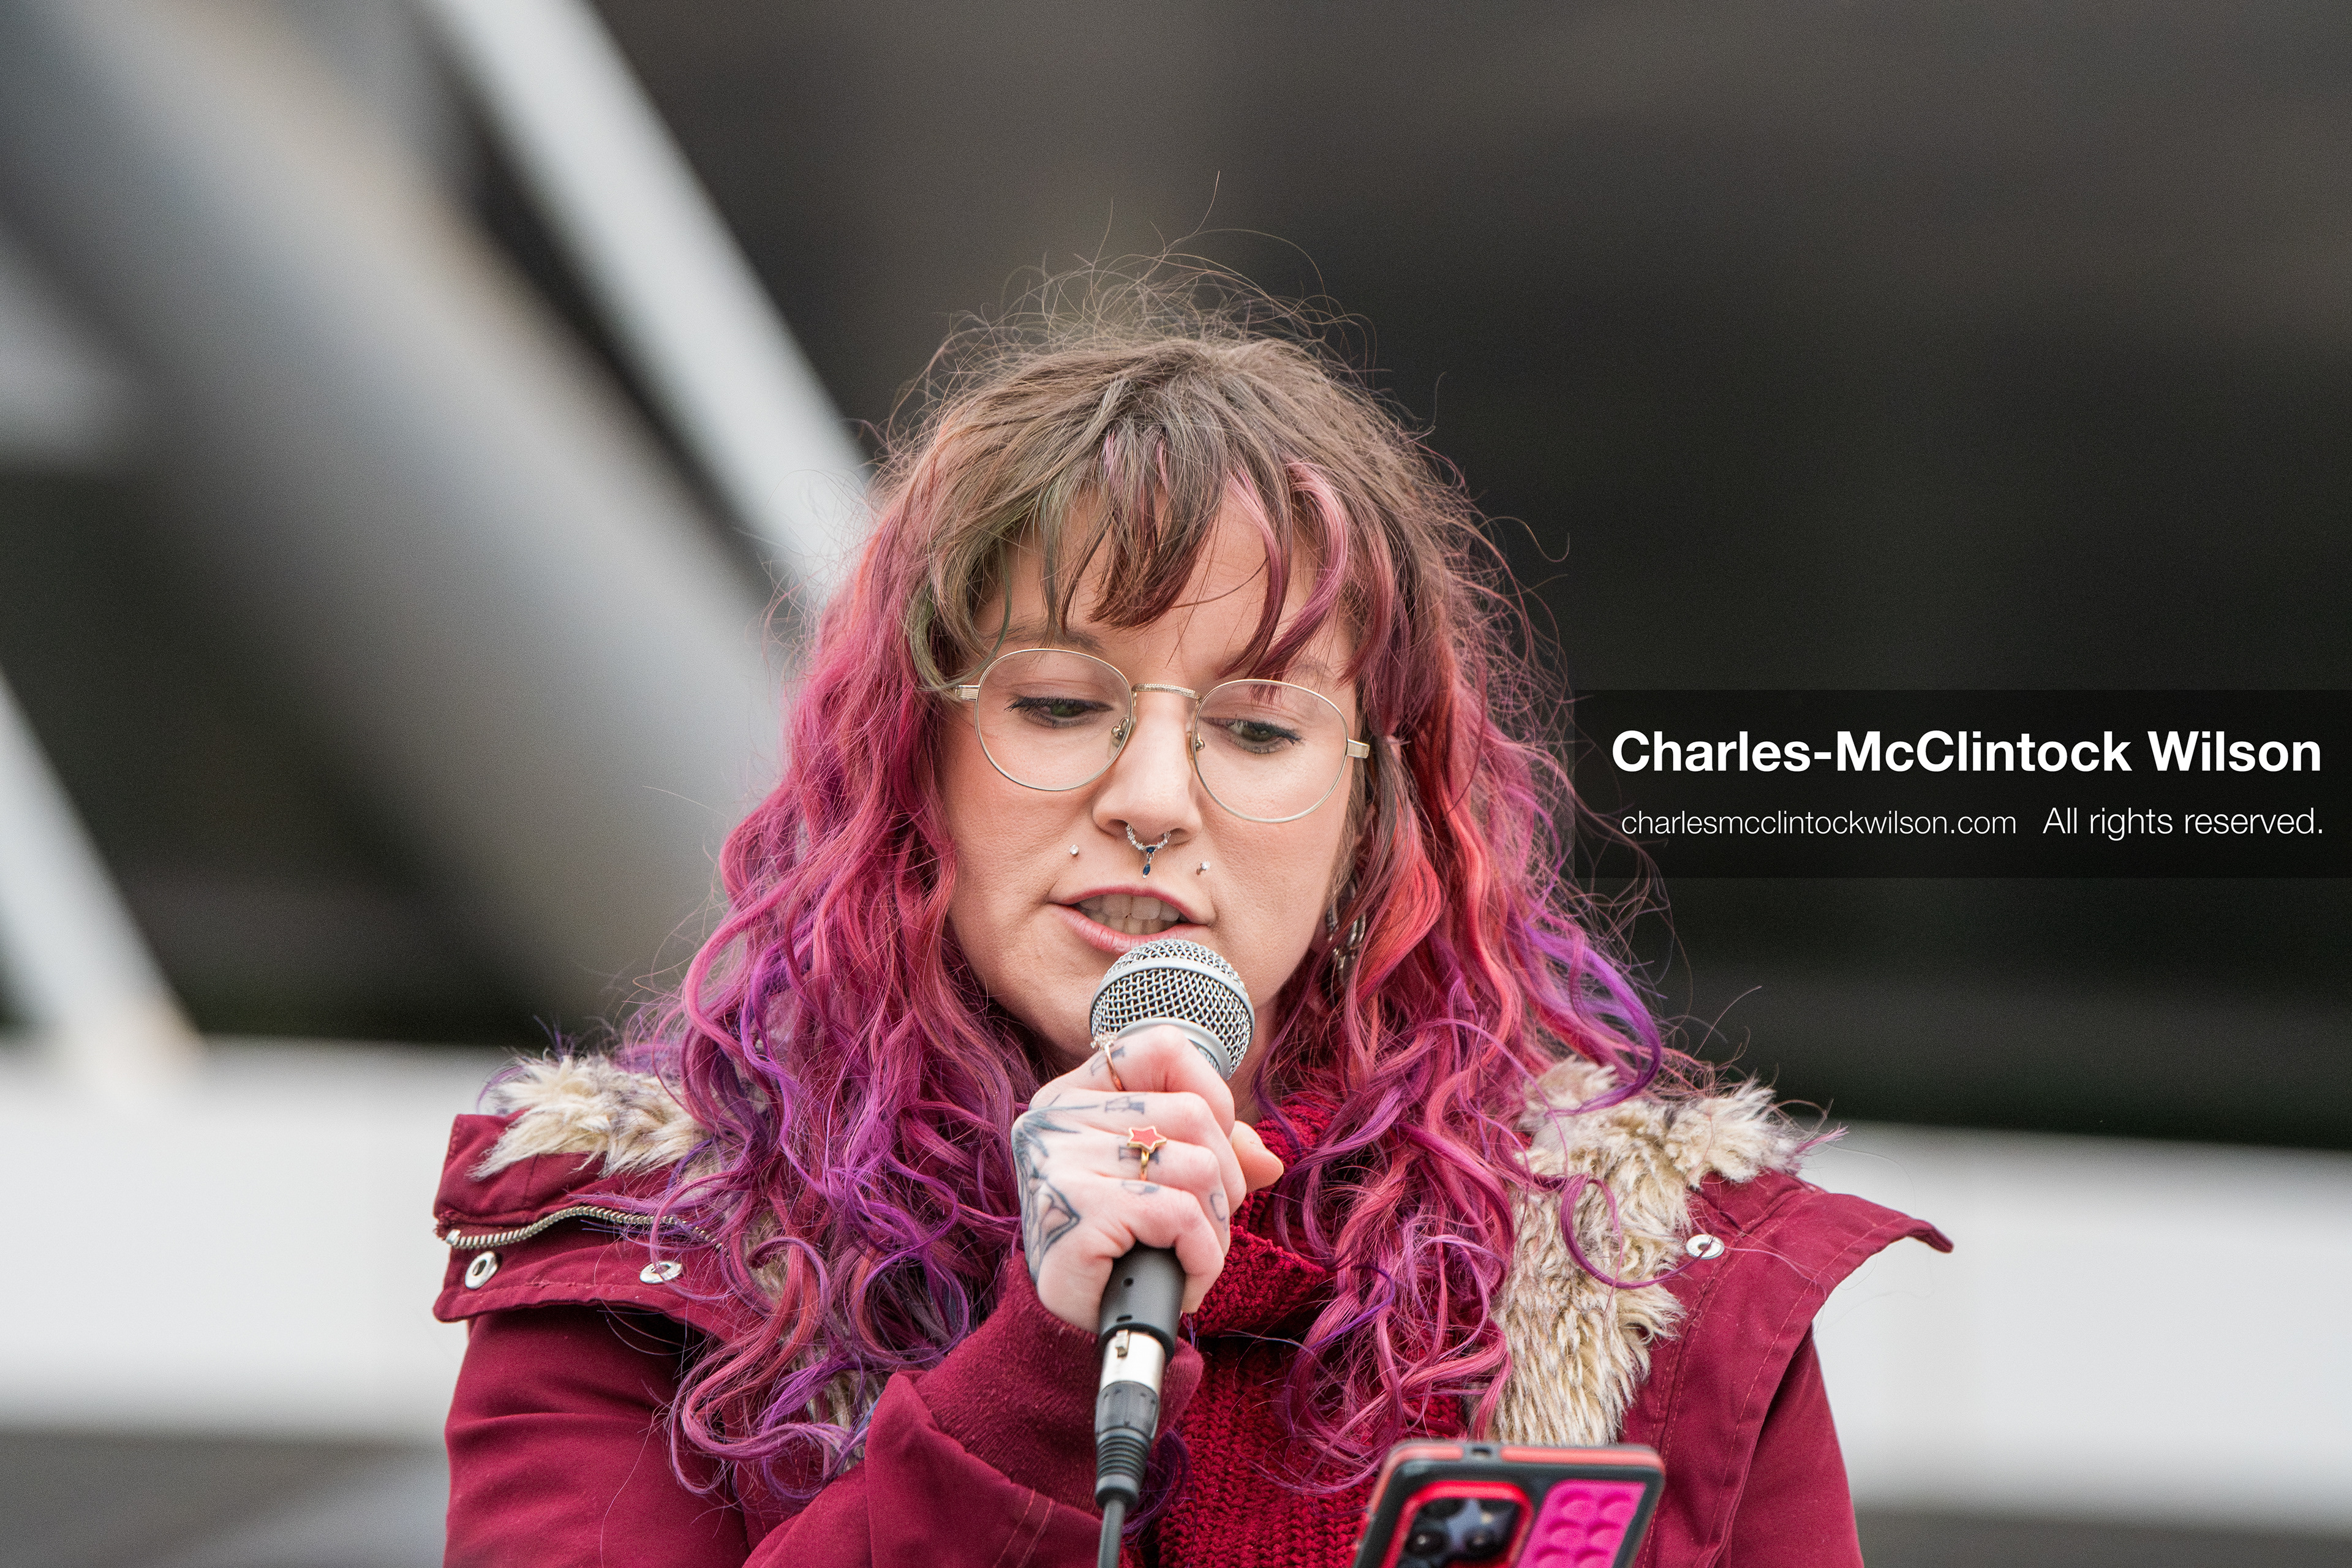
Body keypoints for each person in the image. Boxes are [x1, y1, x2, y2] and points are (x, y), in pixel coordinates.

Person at [431, 278, 1947, 1567]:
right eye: (1059, 703)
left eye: (1259, 728)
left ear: (1379, 809)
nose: (1153, 795)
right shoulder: (648, 1252)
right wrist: (1035, 1365)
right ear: (913, 760)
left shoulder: (1640, 1276)